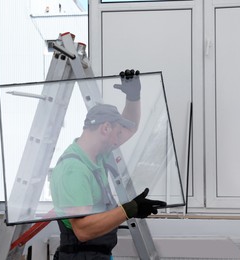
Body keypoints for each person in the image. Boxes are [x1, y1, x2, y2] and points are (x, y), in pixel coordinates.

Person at [50, 70, 166, 259]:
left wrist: (133, 97)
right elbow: (83, 230)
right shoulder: (73, 170)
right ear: (105, 128)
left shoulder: (98, 156)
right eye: (118, 133)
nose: (121, 140)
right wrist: (130, 209)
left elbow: (131, 127)